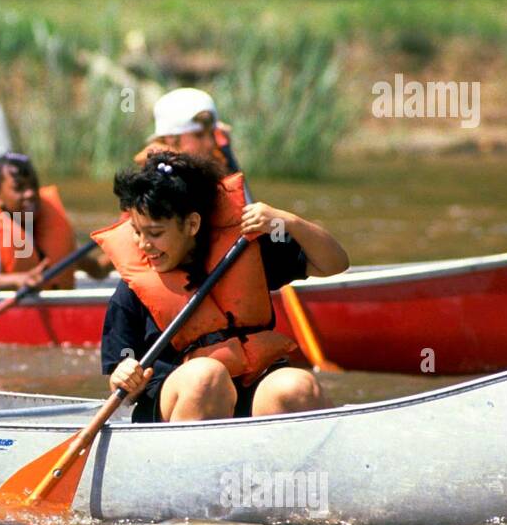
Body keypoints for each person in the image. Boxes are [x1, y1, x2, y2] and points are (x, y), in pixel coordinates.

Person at [97, 151, 349, 423]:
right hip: (181, 400)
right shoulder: (130, 290)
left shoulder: (243, 252)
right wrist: (123, 372)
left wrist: (287, 222)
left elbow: (335, 263)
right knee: (207, 376)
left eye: (155, 234)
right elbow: (121, 372)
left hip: (253, 389)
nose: (144, 244)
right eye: (137, 231)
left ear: (192, 224)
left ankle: (291, 464)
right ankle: (187, 464)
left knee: (299, 387)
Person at [0, 152, 112, 292]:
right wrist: (20, 280)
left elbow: (97, 270)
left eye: (33, 186)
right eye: (19, 188)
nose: (30, 193)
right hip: (13, 318)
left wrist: (125, 247)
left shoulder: (53, 230)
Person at [133, 87, 235, 173]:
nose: (210, 143)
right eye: (198, 135)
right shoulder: (163, 181)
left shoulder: (218, 164)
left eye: (212, 134)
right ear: (171, 138)